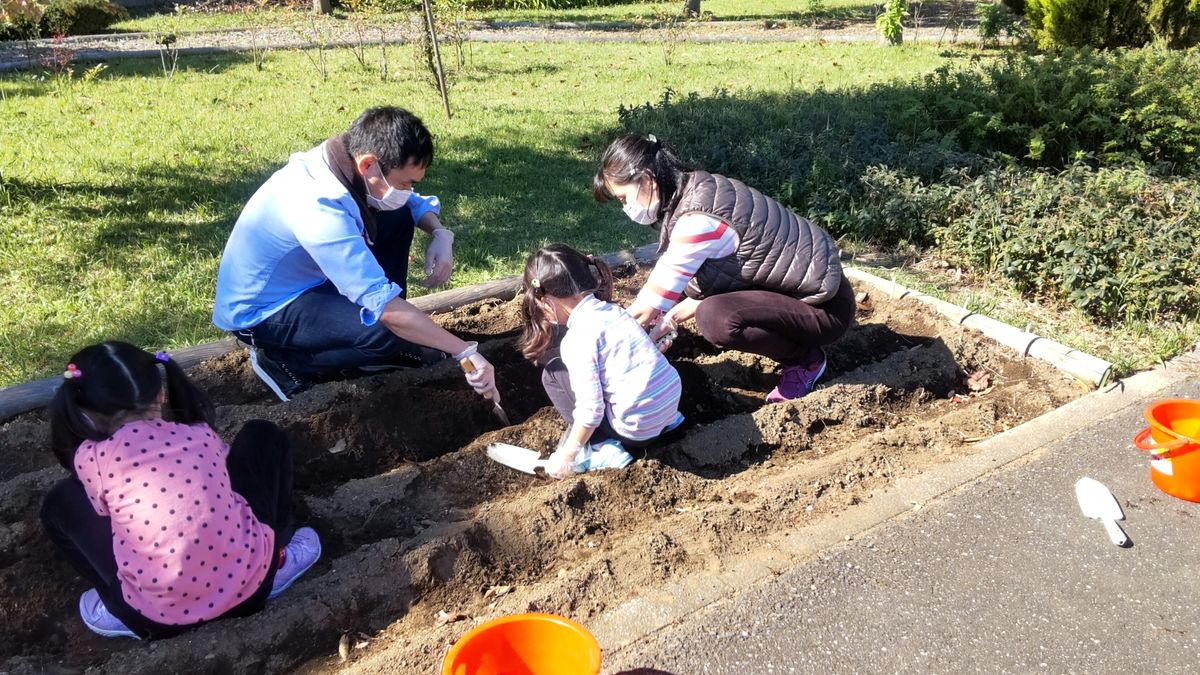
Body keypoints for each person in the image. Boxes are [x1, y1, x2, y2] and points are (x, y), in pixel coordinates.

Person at [213, 106, 497, 403]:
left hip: (306, 280)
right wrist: (464, 351)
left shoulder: (344, 161)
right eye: (405, 182)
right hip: (264, 311)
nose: (409, 189)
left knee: (397, 214)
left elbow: (410, 202)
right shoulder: (318, 206)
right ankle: (285, 362)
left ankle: (399, 327)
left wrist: (440, 233)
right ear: (368, 165)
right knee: (383, 331)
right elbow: (384, 312)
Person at [40, 341, 320, 640]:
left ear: (84, 413)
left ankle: (116, 606)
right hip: (251, 586)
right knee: (262, 436)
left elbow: (103, 513)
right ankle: (276, 559)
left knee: (60, 503)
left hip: (155, 619)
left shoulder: (90, 459)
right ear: (160, 393)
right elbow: (222, 477)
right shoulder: (199, 434)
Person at [593, 134, 855, 402]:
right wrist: (670, 318)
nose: (626, 207)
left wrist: (603, 357)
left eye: (624, 198)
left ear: (647, 180)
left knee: (715, 318)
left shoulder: (696, 221)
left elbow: (646, 308)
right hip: (806, 289)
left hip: (825, 311)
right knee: (691, 298)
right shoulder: (698, 187)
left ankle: (805, 360)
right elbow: (695, 279)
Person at [517, 244, 684, 479]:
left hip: (637, 429)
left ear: (547, 300)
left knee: (553, 373)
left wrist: (568, 455)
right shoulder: (616, 312)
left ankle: (603, 448)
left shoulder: (577, 339)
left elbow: (591, 410)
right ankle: (666, 421)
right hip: (669, 407)